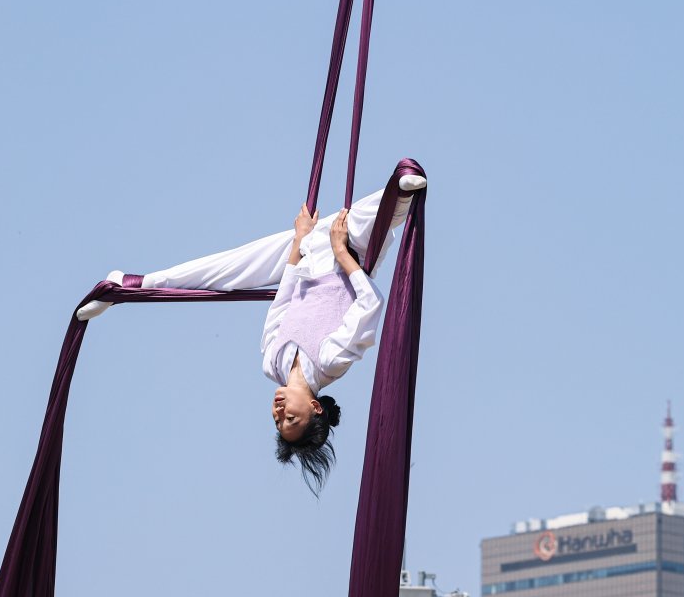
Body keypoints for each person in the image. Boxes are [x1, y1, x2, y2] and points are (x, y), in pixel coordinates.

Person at [77, 176, 426, 492]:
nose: (280, 411)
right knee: (380, 208)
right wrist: (340, 252)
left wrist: (299, 241)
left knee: (225, 271)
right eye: (291, 417)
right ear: (315, 407)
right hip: (350, 251)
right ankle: (401, 189)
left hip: (305, 256)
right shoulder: (329, 361)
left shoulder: (271, 362)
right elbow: (370, 302)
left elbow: (283, 299)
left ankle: (129, 286)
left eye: (278, 419)